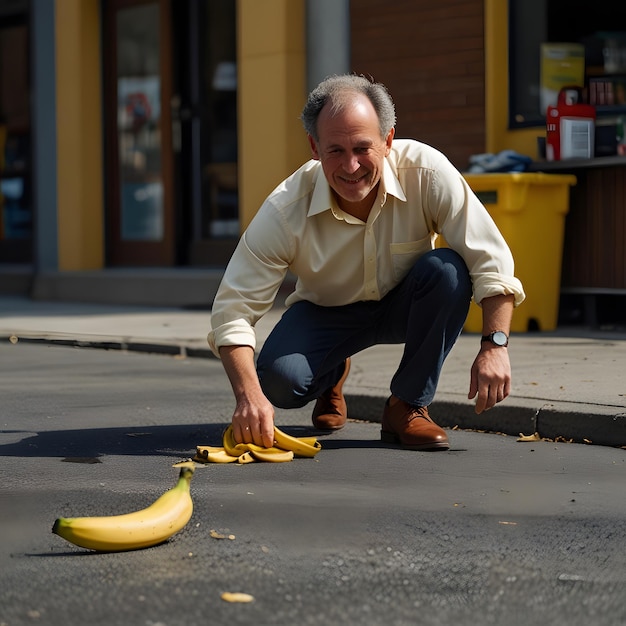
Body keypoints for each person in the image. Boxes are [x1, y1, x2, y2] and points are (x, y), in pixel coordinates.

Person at [207, 73, 525, 452]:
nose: (351, 166)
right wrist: (248, 398)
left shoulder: (428, 172)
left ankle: (407, 405)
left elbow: (490, 260)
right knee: (279, 382)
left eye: (362, 148)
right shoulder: (284, 209)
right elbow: (232, 311)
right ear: (314, 146)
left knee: (449, 271)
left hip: (405, 303)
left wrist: (495, 345)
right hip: (326, 313)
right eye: (335, 151)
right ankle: (331, 372)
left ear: (388, 140)